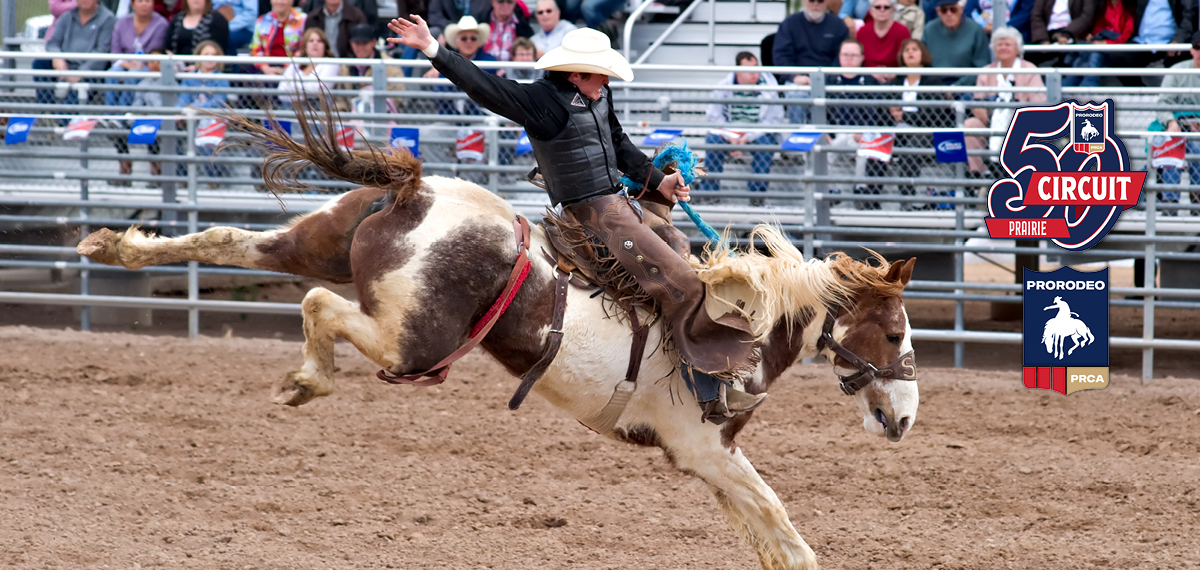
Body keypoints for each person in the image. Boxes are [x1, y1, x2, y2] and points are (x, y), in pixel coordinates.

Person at [387, 19, 767, 422]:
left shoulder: (599, 96)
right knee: (683, 281)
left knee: (679, 249)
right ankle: (707, 388)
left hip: (617, 204)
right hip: (593, 214)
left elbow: (619, 143)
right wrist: (433, 48)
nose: (604, 82)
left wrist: (660, 182)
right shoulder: (543, 103)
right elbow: (486, 88)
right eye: (599, 75)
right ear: (574, 73)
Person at [698, 51, 784, 206]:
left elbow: (773, 120)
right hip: (730, 132)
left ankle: (757, 196)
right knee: (712, 140)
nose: (754, 74)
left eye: (756, 68)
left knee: (766, 144)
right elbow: (714, 115)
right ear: (738, 71)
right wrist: (730, 136)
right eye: (749, 70)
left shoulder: (769, 88)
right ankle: (709, 193)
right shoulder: (724, 86)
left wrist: (747, 137)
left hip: (757, 133)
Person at [963, 27, 1047, 176]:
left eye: (1007, 44)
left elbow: (1039, 103)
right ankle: (980, 173)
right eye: (999, 45)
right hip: (991, 120)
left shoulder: (1029, 69)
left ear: (1017, 49)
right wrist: (990, 118)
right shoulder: (987, 71)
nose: (1003, 48)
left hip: (1020, 121)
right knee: (970, 125)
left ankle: (1014, 171)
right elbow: (978, 103)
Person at [888, 38, 955, 209]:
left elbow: (933, 113)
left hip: (926, 131)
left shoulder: (932, 80)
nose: (910, 52)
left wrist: (905, 117)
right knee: (875, 141)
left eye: (914, 49)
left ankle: (907, 198)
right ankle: (868, 195)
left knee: (912, 145)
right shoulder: (897, 80)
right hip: (899, 129)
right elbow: (887, 106)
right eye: (906, 50)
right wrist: (893, 112)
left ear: (922, 54)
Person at [825, 39, 888, 209]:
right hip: (835, 132)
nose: (849, 59)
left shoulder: (869, 81)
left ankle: (860, 189)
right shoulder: (829, 80)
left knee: (864, 145)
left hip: (859, 133)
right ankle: (831, 191)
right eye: (845, 55)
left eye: (853, 55)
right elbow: (818, 111)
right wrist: (825, 132)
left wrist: (863, 131)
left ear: (862, 58)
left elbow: (876, 113)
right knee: (821, 147)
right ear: (839, 57)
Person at [773, 0, 850, 124]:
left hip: (830, 78)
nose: (816, 4)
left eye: (820, 1)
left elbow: (841, 56)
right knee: (796, 95)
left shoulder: (837, 25)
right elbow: (781, 55)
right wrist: (795, 76)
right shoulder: (789, 23)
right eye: (811, 0)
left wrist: (828, 77)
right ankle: (798, 136)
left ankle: (831, 135)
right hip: (799, 79)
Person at [1151, 30, 1200, 212]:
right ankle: (1169, 203)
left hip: (1196, 130)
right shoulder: (1177, 71)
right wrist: (1172, 122)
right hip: (1179, 125)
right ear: (1191, 50)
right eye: (1198, 48)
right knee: (1170, 145)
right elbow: (1163, 103)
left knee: (1197, 148)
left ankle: (1197, 204)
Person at [37, 0, 116, 105]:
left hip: (90, 71)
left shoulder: (108, 18)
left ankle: (61, 117)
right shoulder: (67, 16)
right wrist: (57, 57)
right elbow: (52, 43)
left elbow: (102, 51)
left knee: (66, 112)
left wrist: (81, 72)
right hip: (66, 65)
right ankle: (45, 109)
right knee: (39, 63)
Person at [1102, 0, 1196, 86]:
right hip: (1143, 41)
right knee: (1116, 56)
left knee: (1180, 56)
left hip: (1170, 42)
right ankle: (1140, 92)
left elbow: (1188, 18)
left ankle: (1171, 95)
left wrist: (1178, 40)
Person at [177, 40, 231, 182]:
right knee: (173, 135)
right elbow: (182, 99)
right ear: (198, 56)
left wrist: (195, 109)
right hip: (191, 117)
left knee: (206, 137)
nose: (210, 58)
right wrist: (180, 112)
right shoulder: (190, 77)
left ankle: (213, 179)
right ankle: (182, 178)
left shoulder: (221, 78)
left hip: (212, 118)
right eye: (206, 54)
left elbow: (218, 102)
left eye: (214, 55)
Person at [111, 49, 165, 186]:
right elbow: (137, 105)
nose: (154, 64)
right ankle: (125, 169)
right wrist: (132, 117)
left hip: (161, 120)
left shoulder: (170, 83)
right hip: (143, 118)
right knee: (119, 131)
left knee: (151, 132)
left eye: (158, 61)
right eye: (151, 61)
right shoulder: (143, 83)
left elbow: (164, 107)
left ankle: (156, 173)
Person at [107, 0, 169, 107]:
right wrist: (127, 64)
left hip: (147, 66)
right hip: (124, 64)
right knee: (112, 73)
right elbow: (115, 51)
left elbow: (154, 52)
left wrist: (134, 66)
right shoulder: (122, 22)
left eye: (147, 1)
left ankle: (120, 117)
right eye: (140, 1)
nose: (144, 4)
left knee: (133, 74)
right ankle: (108, 114)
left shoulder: (161, 24)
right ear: (132, 4)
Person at [1062, 0, 1134, 87]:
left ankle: (1083, 87)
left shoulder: (1129, 7)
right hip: (1100, 41)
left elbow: (1125, 36)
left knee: (1095, 54)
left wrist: (1106, 43)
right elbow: (1099, 27)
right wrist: (1092, 36)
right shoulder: (1104, 5)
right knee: (1086, 51)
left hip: (1116, 47)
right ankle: (1075, 85)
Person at [341, 23, 406, 113]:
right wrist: (344, 116)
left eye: (364, 43)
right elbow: (340, 99)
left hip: (382, 116)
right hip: (351, 118)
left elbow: (397, 96)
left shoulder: (389, 64)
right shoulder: (346, 66)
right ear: (351, 43)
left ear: (373, 42)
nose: (360, 47)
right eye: (357, 43)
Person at [922, 0, 990, 86]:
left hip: (967, 87)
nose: (949, 14)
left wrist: (957, 87)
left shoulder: (975, 30)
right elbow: (923, 62)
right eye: (944, 10)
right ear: (938, 12)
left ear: (961, 9)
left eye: (953, 9)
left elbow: (982, 65)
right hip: (934, 84)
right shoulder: (929, 30)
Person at [278, 28, 343, 110]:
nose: (315, 43)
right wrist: (306, 91)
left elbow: (319, 90)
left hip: (319, 111)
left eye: (319, 41)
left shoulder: (331, 63)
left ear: (325, 45)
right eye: (311, 41)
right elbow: (281, 91)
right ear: (305, 45)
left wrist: (292, 87)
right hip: (291, 109)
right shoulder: (296, 63)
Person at [249, 0, 306, 75]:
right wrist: (265, 68)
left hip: (293, 66)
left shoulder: (302, 19)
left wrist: (286, 68)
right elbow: (255, 49)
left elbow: (303, 49)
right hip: (266, 65)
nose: (279, 2)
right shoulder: (263, 20)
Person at [165, 0, 230, 58]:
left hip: (206, 68)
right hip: (178, 67)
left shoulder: (217, 20)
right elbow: (168, 47)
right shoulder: (177, 18)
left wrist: (197, 66)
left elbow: (219, 49)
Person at [857, 0, 910, 69]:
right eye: (878, 7)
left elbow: (905, 61)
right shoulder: (862, 31)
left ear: (893, 10)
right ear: (870, 10)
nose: (882, 10)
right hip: (867, 75)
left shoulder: (902, 31)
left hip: (895, 75)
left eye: (886, 7)